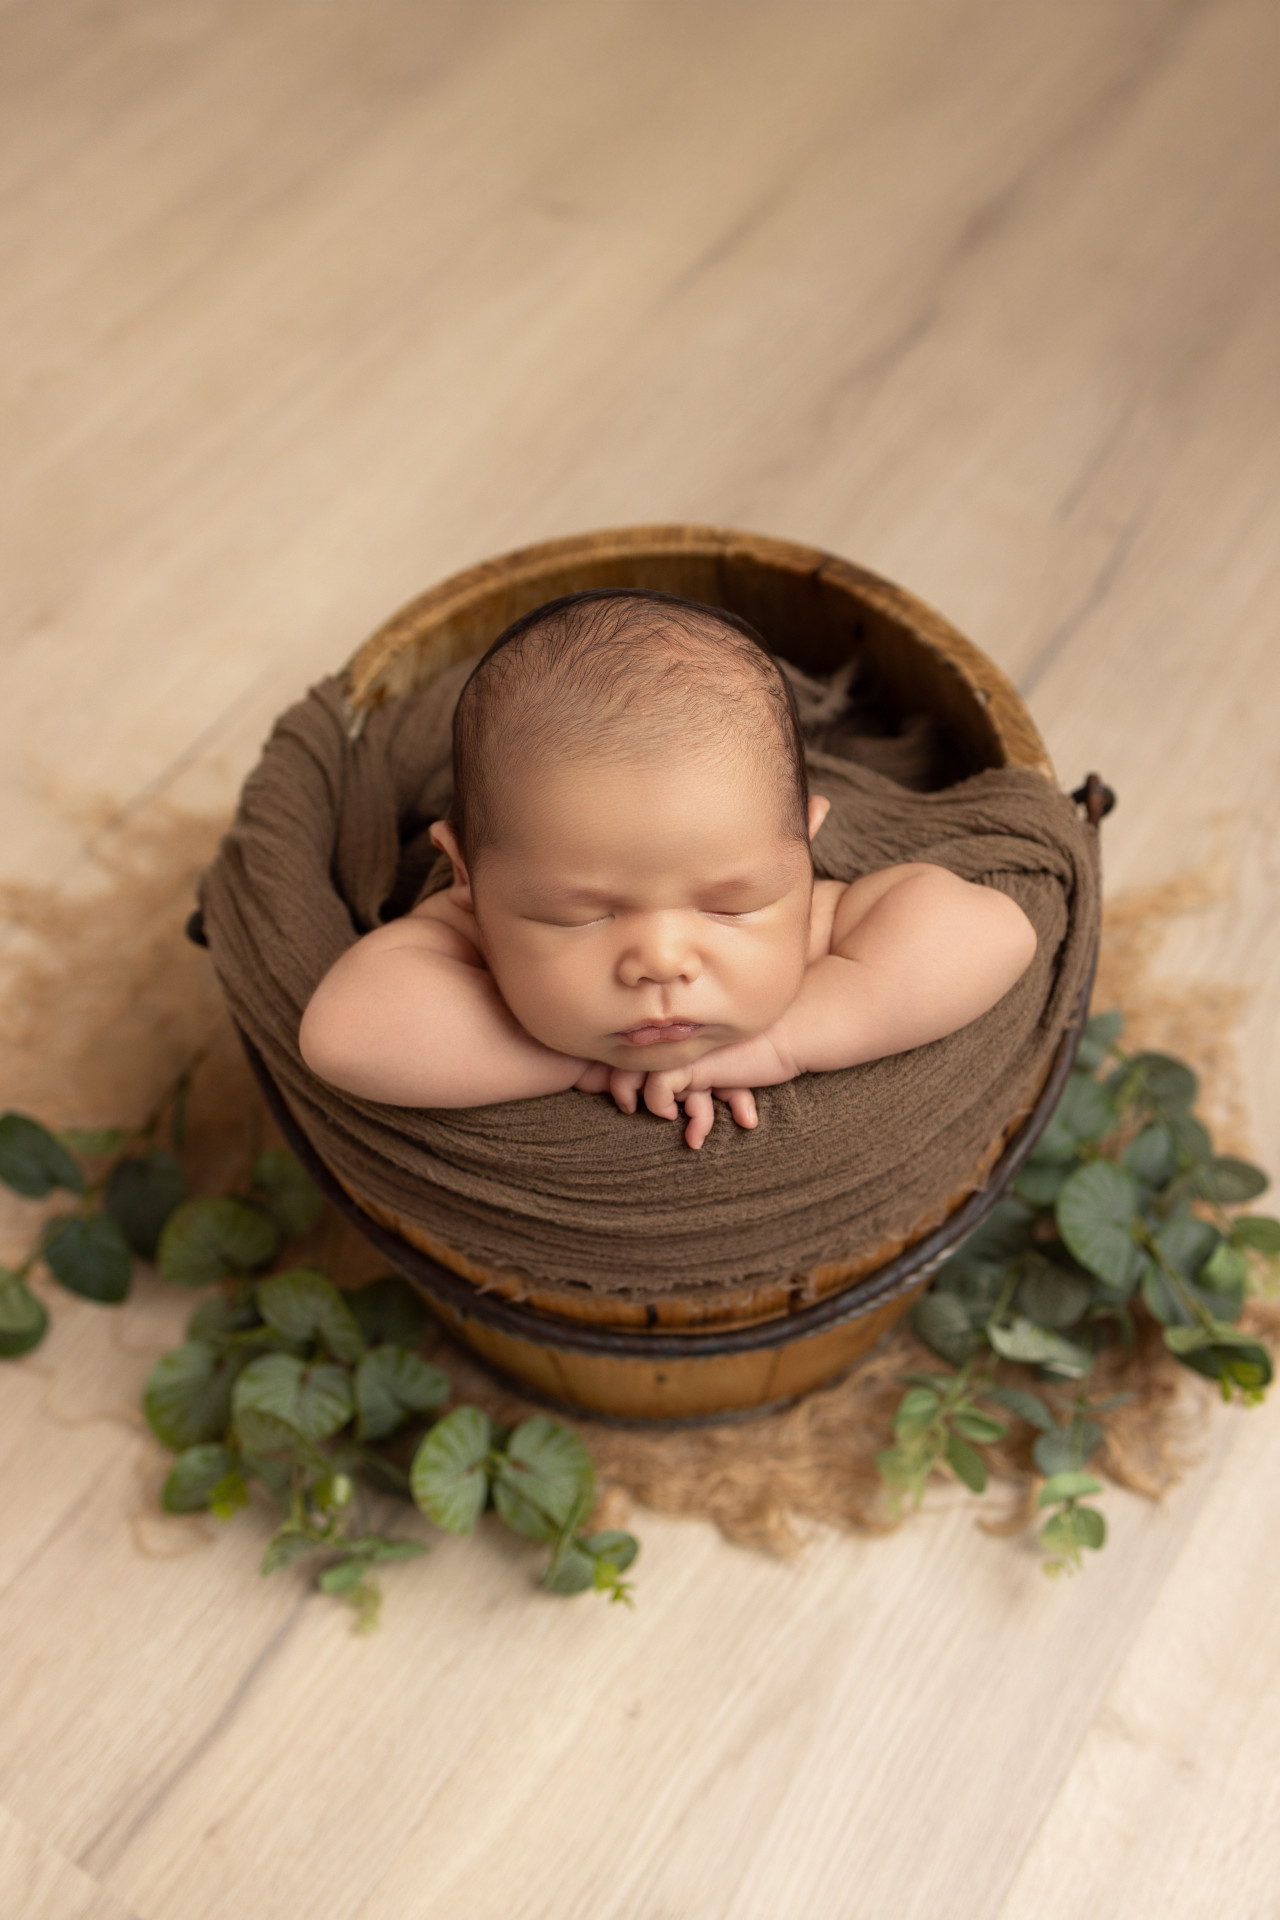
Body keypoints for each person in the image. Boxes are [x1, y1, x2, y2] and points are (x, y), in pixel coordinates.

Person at [299, 590, 1037, 1148]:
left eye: (730, 906)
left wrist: (786, 1040)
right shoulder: (466, 934)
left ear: (803, 850)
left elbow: (997, 932)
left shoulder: (820, 921)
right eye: (578, 914)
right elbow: (344, 1035)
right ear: (466, 876)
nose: (661, 960)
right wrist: (577, 1064)